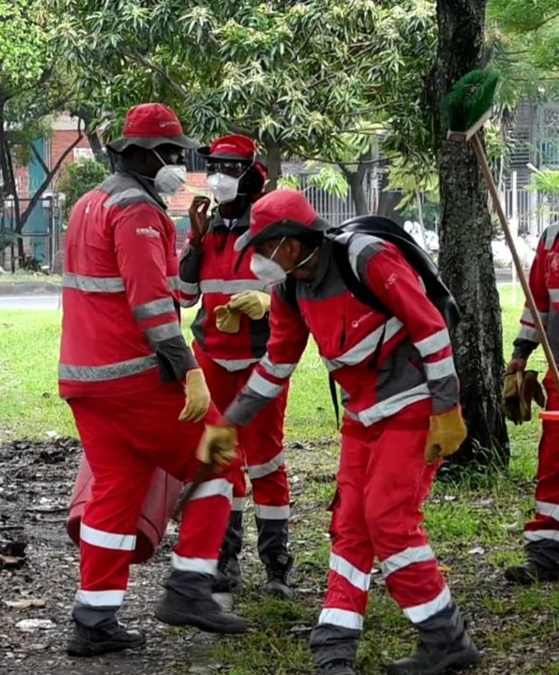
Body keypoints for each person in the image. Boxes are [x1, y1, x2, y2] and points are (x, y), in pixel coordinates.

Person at [203, 189, 477, 675]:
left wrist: (446, 407)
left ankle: (446, 639)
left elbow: (430, 325)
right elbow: (278, 362)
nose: (259, 263)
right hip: (362, 414)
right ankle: (334, 649)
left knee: (388, 520)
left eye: (262, 250)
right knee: (349, 526)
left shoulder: (366, 258)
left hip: (412, 404)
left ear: (288, 243)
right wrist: (232, 422)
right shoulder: (291, 287)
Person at [59, 102, 249, 658]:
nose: (177, 164)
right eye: (170, 154)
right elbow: (151, 306)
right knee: (220, 459)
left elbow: (145, 288)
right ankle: (189, 587)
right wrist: (190, 373)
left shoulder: (89, 203)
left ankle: (94, 620)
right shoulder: (139, 211)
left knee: (115, 494)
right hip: (137, 377)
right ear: (141, 155)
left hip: (86, 381)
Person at [175, 134, 293, 598]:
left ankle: (276, 565)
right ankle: (225, 560)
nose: (218, 177)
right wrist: (196, 243)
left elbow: (297, 294)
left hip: (262, 361)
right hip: (212, 358)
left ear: (251, 176)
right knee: (222, 460)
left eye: (229, 168)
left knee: (266, 461)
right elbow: (184, 297)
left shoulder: (270, 229)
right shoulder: (206, 230)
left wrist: (268, 301)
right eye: (214, 167)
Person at [504, 222, 559, 585]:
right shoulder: (552, 238)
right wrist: (522, 350)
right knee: (554, 463)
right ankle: (547, 555)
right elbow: (537, 301)